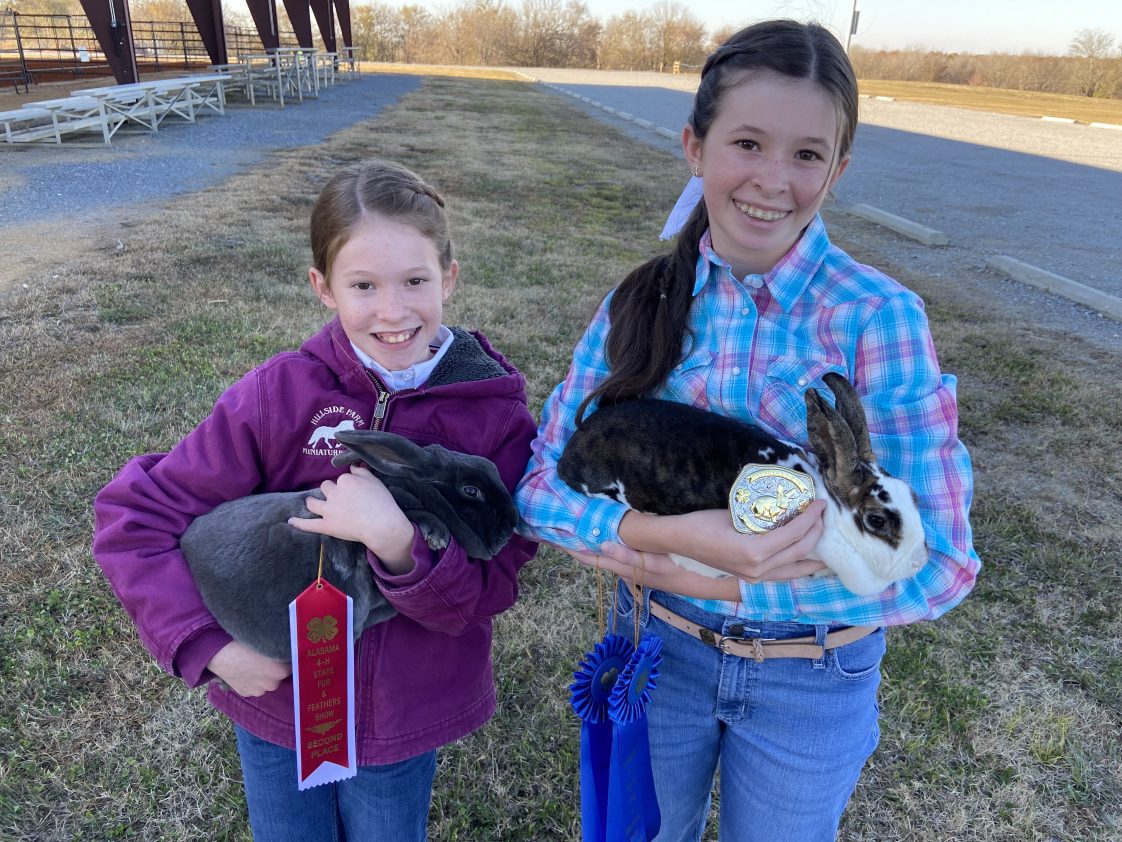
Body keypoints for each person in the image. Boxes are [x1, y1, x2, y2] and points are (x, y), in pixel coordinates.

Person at [515, 20, 980, 842]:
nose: (773, 180)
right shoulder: (642, 303)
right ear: (695, 147)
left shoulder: (879, 319)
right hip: (659, 648)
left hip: (814, 672)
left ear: (836, 170)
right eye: (747, 143)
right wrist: (645, 532)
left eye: (806, 155)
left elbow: (940, 564)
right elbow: (542, 489)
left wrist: (733, 582)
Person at [93, 159, 538, 841]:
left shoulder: (497, 419)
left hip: (403, 719)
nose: (393, 311)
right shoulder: (281, 395)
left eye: (415, 281)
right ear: (322, 288)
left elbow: (493, 581)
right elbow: (135, 516)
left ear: (448, 276)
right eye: (363, 286)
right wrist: (211, 648)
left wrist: (398, 545)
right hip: (279, 704)